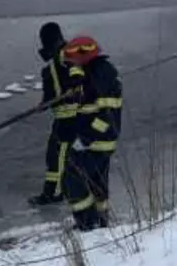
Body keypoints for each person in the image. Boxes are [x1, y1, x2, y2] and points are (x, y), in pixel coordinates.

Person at [60, 36, 122, 231]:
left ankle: (89, 223)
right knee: (96, 182)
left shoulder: (100, 76)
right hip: (100, 141)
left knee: (72, 179)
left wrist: (85, 138)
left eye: (73, 61)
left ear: (84, 56)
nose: (71, 65)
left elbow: (106, 119)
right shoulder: (96, 70)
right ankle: (101, 221)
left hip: (96, 141)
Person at [28, 22, 81, 207]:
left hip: (71, 117)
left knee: (57, 156)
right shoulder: (54, 62)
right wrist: (44, 103)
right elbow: (54, 87)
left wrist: (75, 86)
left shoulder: (66, 54)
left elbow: (76, 72)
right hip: (63, 117)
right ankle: (58, 190)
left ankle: (54, 193)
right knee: (55, 155)